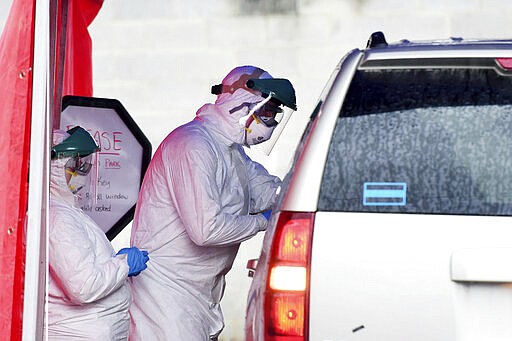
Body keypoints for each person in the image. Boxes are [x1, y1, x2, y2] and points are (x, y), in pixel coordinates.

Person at [128, 65, 297, 340]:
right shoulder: (192, 145)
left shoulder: (231, 153)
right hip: (165, 296)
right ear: (243, 104)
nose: (271, 123)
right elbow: (206, 230)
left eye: (275, 115)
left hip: (199, 294)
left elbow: (271, 192)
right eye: (268, 112)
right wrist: (263, 221)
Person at [47, 126, 150, 340]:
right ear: (55, 167)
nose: (82, 172)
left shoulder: (66, 210)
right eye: (75, 165)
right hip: (78, 333)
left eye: (85, 165)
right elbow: (83, 286)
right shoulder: (58, 218)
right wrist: (124, 264)